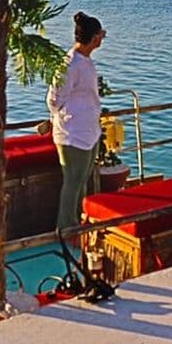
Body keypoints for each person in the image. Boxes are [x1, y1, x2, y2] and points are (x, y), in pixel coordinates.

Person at [47, 12, 106, 230]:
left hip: (89, 131)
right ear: (94, 38)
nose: (102, 39)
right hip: (72, 132)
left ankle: (79, 221)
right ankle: (65, 227)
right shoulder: (70, 64)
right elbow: (54, 98)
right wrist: (63, 117)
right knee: (72, 181)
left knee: (82, 180)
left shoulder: (85, 61)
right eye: (102, 35)